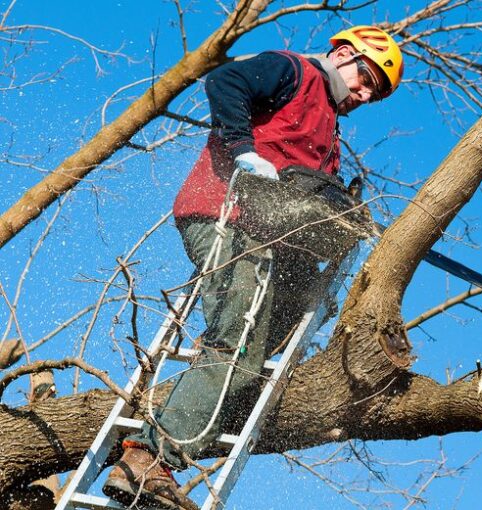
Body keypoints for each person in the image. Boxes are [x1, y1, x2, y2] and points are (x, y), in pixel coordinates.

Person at [102, 26, 404, 510]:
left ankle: (199, 395)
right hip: (225, 215)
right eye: (367, 79)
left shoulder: (329, 134)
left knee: (282, 328)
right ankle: (147, 459)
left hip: (266, 240)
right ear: (344, 55)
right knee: (236, 346)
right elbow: (226, 82)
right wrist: (244, 149)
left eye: (376, 95)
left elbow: (309, 199)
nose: (366, 96)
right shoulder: (294, 71)